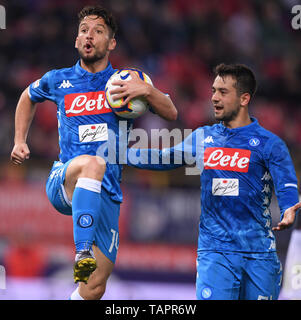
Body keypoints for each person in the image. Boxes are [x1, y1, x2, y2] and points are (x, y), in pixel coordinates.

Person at [10, 5, 177, 300]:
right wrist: (19, 140)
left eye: (98, 31)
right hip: (66, 179)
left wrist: (148, 92)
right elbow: (27, 96)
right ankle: (81, 250)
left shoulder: (126, 83)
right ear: (76, 40)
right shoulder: (58, 80)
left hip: (107, 193)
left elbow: (172, 113)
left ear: (111, 43)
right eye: (84, 31)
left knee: (94, 287)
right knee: (92, 163)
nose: (89, 36)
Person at [127, 63, 301, 300]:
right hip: (216, 253)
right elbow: (162, 158)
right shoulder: (203, 137)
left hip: (259, 254)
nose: (214, 98)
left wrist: (289, 209)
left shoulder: (269, 144)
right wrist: (118, 153)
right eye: (213, 91)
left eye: (223, 92)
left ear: (244, 99)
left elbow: (287, 182)